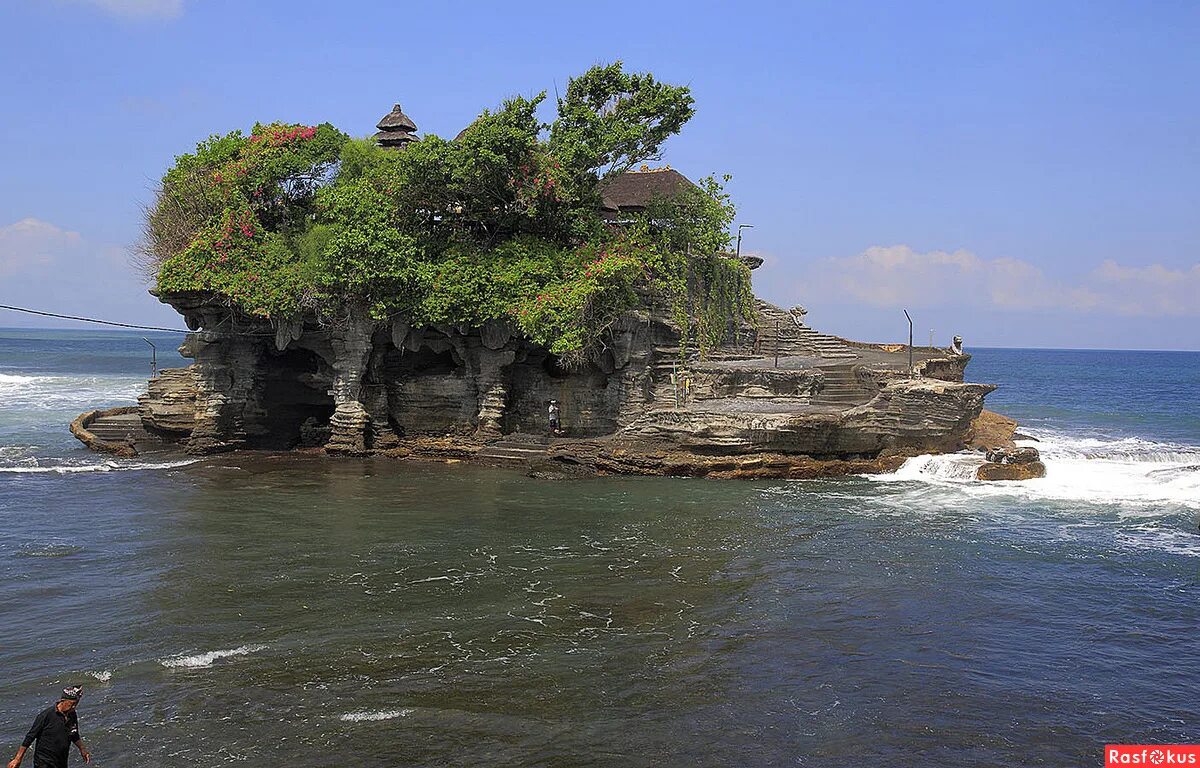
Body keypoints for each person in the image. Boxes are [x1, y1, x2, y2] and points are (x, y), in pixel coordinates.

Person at [7, 687, 90, 768]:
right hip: (44, 761)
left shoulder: (72, 715)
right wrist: (18, 759)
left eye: (76, 704)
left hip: (61, 761)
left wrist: (82, 749)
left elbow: (74, 734)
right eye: (71, 704)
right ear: (63, 701)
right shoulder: (46, 715)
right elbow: (30, 737)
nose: (74, 707)